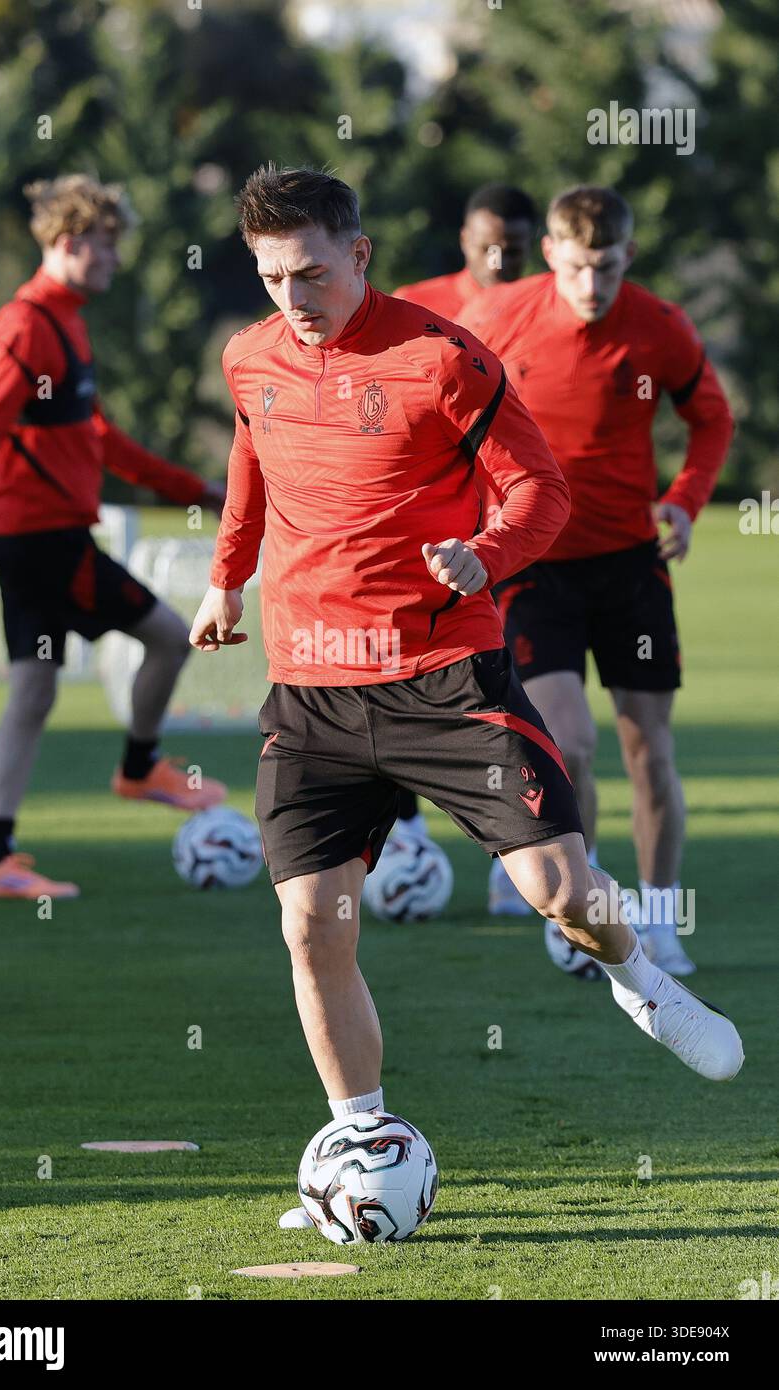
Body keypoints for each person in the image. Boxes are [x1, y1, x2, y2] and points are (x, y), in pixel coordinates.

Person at [189, 165, 743, 1228]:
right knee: (311, 924)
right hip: (312, 688)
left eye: (311, 272)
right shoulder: (248, 356)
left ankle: (641, 981)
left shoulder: (444, 357)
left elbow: (541, 489)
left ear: (359, 254)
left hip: (443, 677)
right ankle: (360, 1140)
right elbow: (251, 455)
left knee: (558, 889)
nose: (293, 298)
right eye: (271, 277)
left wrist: (485, 555)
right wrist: (226, 578)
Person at [460, 186, 734, 970]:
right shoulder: (498, 318)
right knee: (569, 743)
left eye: (607, 267)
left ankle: (661, 920)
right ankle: (587, 902)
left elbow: (712, 417)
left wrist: (685, 501)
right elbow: (444, 413)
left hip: (631, 567)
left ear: (628, 257)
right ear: (550, 253)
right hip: (533, 565)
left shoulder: (660, 326)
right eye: (577, 266)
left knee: (649, 750)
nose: (592, 285)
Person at [0, 175, 227, 901]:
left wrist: (192, 489)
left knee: (32, 692)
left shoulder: (66, 320)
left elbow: (97, 438)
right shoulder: (26, 325)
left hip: (36, 538)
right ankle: (138, 769)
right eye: (106, 246)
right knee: (169, 637)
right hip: (44, 540)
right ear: (70, 243)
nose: (115, 260)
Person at [389, 183, 538, 859]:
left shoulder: (547, 309)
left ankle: (521, 845)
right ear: (464, 242)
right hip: (429, 532)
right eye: (488, 247)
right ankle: (405, 833)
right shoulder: (417, 308)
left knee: (508, 687)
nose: (500, 261)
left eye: (514, 248)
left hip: (512, 534)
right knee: (401, 673)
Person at [392, 183, 538, 319]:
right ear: (464, 239)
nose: (496, 266)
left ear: (531, 245)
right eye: (486, 249)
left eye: (512, 252)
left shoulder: (541, 311)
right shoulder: (412, 306)